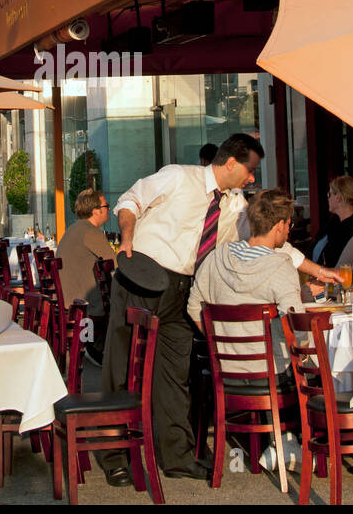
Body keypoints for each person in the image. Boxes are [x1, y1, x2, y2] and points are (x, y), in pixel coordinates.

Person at [99, 132, 263, 484]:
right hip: (142, 276)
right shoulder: (177, 176)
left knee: (176, 374)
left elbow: (256, 241)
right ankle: (114, 456)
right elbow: (130, 200)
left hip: (184, 289)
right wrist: (127, 236)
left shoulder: (235, 205)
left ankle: (177, 457)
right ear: (231, 162)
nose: (252, 178)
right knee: (122, 365)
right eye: (250, 170)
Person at [187, 189, 313, 378]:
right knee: (320, 370)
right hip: (273, 374)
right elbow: (297, 327)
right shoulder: (280, 267)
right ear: (279, 225)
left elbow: (193, 306)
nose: (289, 230)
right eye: (289, 224)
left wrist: (218, 344)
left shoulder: (216, 258)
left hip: (226, 374)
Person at [58, 189, 116, 362]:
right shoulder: (91, 232)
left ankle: (91, 344)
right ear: (96, 210)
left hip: (68, 297)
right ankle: (96, 346)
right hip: (83, 303)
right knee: (125, 299)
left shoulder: (75, 228)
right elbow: (115, 263)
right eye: (106, 206)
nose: (109, 209)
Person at [311, 175, 353, 269]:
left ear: (338, 198)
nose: (328, 198)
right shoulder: (332, 223)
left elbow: (343, 269)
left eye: (329, 194)